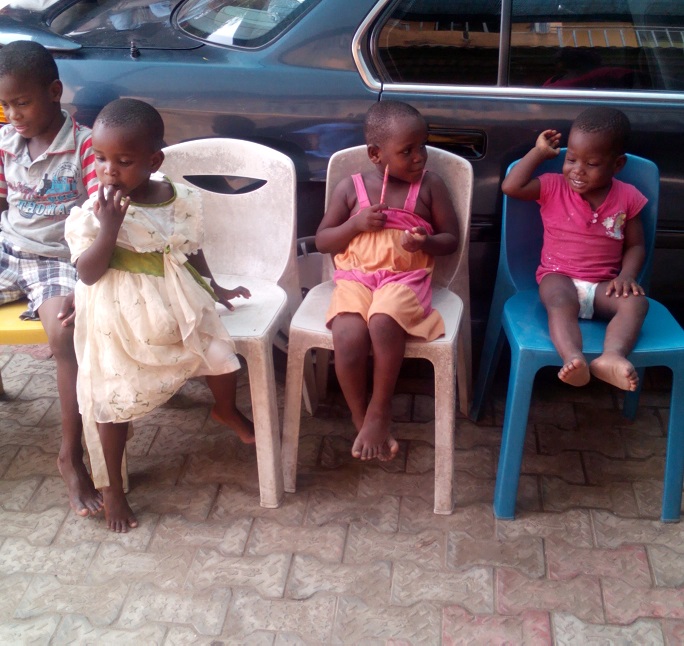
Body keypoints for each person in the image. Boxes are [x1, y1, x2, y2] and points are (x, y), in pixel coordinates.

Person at [65, 98, 254, 532]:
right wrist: (110, 227)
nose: (109, 171)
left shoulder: (178, 197)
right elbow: (88, 273)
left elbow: (190, 248)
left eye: (124, 161)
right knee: (113, 401)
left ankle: (225, 409)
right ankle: (113, 488)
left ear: (154, 161)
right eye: (100, 159)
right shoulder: (96, 212)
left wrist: (215, 287)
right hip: (117, 317)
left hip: (174, 302)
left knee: (220, 354)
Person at [316, 100, 459, 462]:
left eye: (422, 146)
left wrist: (425, 242)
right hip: (355, 278)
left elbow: (451, 240)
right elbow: (323, 241)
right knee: (347, 335)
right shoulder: (351, 189)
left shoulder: (430, 186)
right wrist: (355, 224)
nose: (419, 157)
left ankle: (380, 410)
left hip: (404, 280)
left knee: (382, 321)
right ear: (375, 154)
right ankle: (360, 416)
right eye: (407, 151)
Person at [0, 40, 103, 517]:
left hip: (58, 258)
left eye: (21, 102)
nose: (13, 115)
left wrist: (87, 283)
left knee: (63, 335)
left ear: (55, 92)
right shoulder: (5, 143)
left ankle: (71, 457)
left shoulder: (85, 146)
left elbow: (101, 216)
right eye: (5, 105)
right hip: (9, 248)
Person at [501, 106, 649, 391]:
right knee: (558, 300)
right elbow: (511, 187)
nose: (577, 170)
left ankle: (612, 356)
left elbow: (636, 245)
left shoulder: (629, 197)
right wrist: (539, 153)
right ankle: (573, 357)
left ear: (617, 164)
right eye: (571, 159)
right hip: (559, 276)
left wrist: (627, 276)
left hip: (604, 286)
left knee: (637, 304)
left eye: (591, 164)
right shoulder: (553, 187)